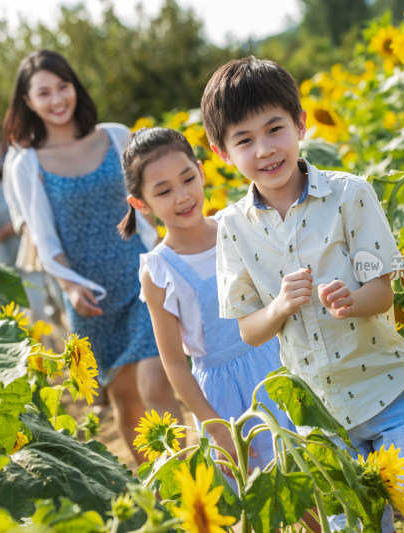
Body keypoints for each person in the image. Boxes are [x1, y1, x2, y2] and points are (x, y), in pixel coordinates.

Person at [203, 57, 404, 533]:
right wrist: (279, 306)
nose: (264, 149)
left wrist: (352, 301)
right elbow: (249, 328)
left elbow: (382, 292)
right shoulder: (233, 229)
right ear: (222, 152)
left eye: (275, 129)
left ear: (300, 123)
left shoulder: (350, 195)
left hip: (388, 389)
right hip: (319, 416)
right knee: (356, 527)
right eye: (244, 140)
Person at [2, 49, 181, 465]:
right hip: (88, 294)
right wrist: (69, 286)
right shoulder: (25, 163)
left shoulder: (116, 136)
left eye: (62, 86)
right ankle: (166, 498)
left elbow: (150, 200)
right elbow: (44, 237)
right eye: (43, 93)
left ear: (74, 87)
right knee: (126, 401)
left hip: (141, 276)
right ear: (28, 102)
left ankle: (193, 475)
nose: (56, 99)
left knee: (157, 385)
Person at [119, 127, 295, 487]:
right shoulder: (159, 271)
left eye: (187, 179)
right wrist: (217, 430)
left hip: (282, 364)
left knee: (313, 482)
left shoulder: (238, 225)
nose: (182, 196)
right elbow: (173, 363)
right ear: (140, 204)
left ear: (201, 171)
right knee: (266, 498)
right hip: (226, 397)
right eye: (164, 191)